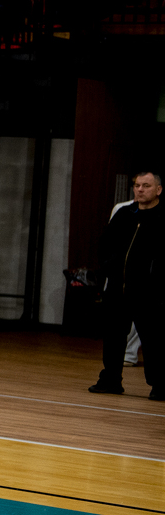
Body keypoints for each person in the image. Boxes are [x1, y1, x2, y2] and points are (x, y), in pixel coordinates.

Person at [89, 169, 164, 399]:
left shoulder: (163, 217)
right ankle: (111, 380)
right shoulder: (124, 214)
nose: (140, 190)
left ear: (158, 189)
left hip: (148, 291)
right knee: (113, 337)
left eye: (146, 186)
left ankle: (160, 385)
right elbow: (105, 244)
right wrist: (108, 267)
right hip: (117, 287)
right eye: (137, 185)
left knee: (153, 340)